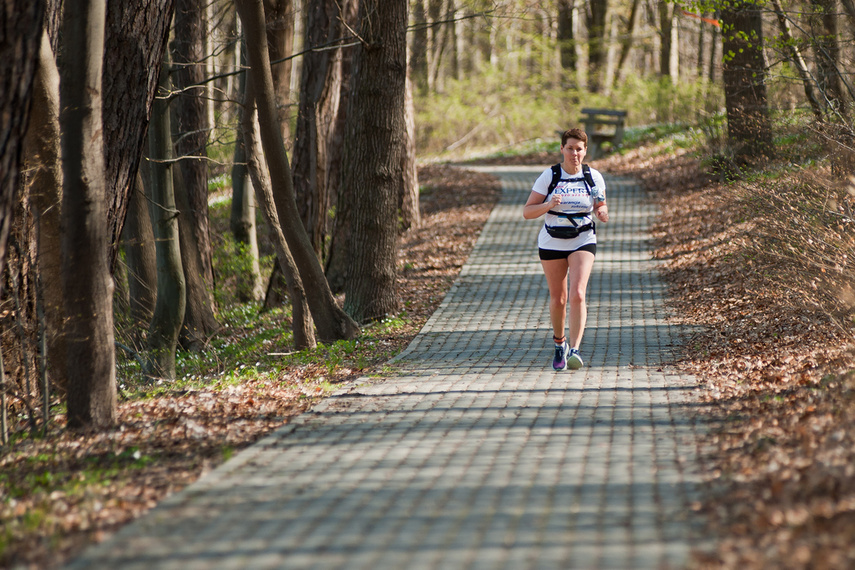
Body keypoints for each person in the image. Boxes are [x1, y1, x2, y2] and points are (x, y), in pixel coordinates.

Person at [522, 128, 609, 370]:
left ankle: (576, 349)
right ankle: (560, 344)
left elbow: (600, 204)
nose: (574, 153)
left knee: (578, 294)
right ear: (562, 149)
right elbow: (527, 212)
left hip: (583, 238)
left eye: (579, 149)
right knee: (559, 299)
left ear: (585, 151)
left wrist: (602, 212)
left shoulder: (593, 176)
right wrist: (549, 204)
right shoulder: (549, 176)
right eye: (569, 148)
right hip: (552, 241)